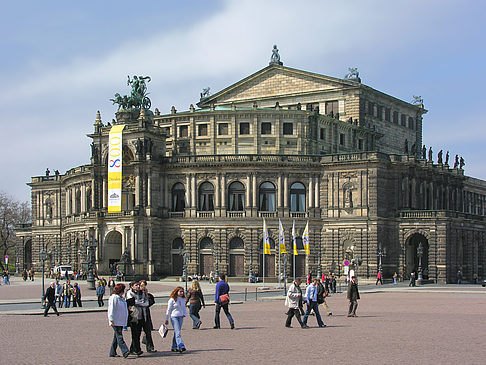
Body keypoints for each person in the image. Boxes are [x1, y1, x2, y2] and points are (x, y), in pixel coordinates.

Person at [126, 281, 149, 356]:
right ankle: (137, 349)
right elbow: (132, 302)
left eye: (139, 285)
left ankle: (132, 349)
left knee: (138, 333)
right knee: (134, 333)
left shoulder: (142, 293)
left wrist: (140, 303)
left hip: (141, 315)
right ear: (132, 286)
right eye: (136, 285)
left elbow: (146, 302)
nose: (138, 286)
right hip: (134, 315)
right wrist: (141, 303)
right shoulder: (129, 293)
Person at [108, 283, 130, 358]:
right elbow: (111, 309)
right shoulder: (114, 298)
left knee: (116, 337)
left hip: (120, 320)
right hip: (115, 320)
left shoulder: (121, 298)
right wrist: (111, 319)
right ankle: (125, 351)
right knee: (119, 336)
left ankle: (112, 352)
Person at [165, 286, 187, 353]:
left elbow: (184, 308)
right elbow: (169, 310)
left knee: (177, 332)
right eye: (180, 291)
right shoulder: (172, 300)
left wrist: (184, 314)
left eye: (182, 291)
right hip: (174, 317)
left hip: (180, 316)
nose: (181, 293)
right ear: (176, 292)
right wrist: (166, 319)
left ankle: (174, 346)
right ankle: (181, 346)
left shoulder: (183, 299)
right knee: (178, 332)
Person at [139, 280, 156, 353]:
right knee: (136, 334)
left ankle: (150, 347)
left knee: (148, 332)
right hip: (138, 315)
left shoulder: (147, 295)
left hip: (146, 314)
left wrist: (147, 297)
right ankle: (135, 348)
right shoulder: (136, 295)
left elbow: (150, 302)